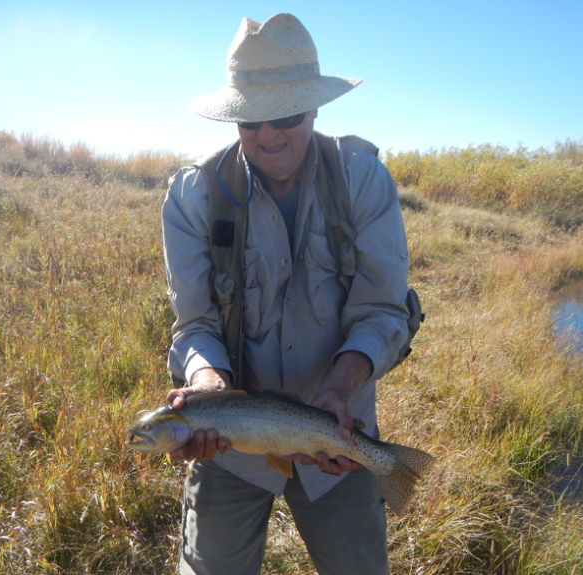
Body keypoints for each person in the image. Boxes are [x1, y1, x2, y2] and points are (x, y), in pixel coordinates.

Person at [161, 13, 410, 575]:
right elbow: (194, 325)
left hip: (337, 436)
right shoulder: (193, 198)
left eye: (284, 115)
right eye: (249, 120)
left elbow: (382, 311)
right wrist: (208, 385)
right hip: (229, 449)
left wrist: (340, 391)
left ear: (315, 107)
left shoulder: (362, 180)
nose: (266, 136)